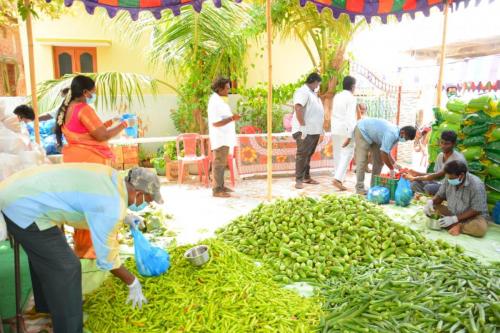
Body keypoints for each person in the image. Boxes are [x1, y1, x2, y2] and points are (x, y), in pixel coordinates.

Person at [0, 164, 162, 333]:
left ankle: (48, 305)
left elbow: (96, 203)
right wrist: (132, 282)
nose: (145, 205)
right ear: (138, 193)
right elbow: (107, 257)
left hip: (19, 189)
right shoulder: (111, 206)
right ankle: (68, 328)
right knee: (67, 267)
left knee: (48, 255)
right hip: (22, 205)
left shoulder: (115, 178)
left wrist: (126, 216)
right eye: (147, 201)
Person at [54, 75, 133, 259]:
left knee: (81, 207)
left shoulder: (66, 109)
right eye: (93, 92)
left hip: (75, 163)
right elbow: (101, 136)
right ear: (85, 92)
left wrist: (109, 122)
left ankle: (83, 248)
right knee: (96, 205)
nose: (93, 95)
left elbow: (87, 131)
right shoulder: (83, 109)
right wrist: (124, 124)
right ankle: (97, 251)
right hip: (90, 164)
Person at [423, 160, 489, 237]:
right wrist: (431, 201)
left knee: (480, 228)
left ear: (461, 175)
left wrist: (454, 219)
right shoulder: (448, 179)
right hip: (453, 211)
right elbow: (440, 196)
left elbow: (477, 209)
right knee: (433, 208)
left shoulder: (476, 184)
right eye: (448, 177)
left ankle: (460, 227)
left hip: (472, 217)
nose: (449, 180)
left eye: (451, 178)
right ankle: (452, 224)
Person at [354, 118, 416, 194]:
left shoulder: (397, 136)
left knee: (379, 162)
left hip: (375, 136)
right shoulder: (392, 134)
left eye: (407, 140)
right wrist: (391, 168)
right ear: (402, 132)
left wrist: (394, 163)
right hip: (363, 130)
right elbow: (384, 153)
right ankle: (359, 188)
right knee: (362, 160)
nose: (405, 140)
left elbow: (387, 151)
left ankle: (374, 187)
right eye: (406, 138)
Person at [404, 131, 466, 196]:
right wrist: (416, 173)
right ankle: (424, 201)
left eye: (447, 144)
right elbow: (435, 175)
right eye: (442, 142)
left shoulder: (457, 159)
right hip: (440, 183)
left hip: (453, 187)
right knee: (415, 184)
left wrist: (415, 177)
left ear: (454, 144)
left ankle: (433, 202)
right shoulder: (440, 155)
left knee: (428, 188)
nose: (443, 146)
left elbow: (438, 175)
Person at [207, 77, 240, 198]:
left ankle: (221, 186)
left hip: (224, 138)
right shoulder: (214, 101)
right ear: (219, 88)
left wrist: (232, 117)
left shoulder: (218, 100)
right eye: (227, 88)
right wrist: (232, 118)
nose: (228, 91)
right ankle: (217, 189)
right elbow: (215, 123)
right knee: (219, 164)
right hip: (220, 138)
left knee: (221, 164)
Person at [292, 72, 324, 189]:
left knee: (308, 155)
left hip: (313, 130)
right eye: (318, 84)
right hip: (304, 130)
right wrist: (303, 126)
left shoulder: (312, 93)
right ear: (314, 82)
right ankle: (298, 180)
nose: (318, 86)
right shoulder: (303, 91)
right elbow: (298, 107)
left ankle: (306, 177)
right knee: (302, 155)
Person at [330, 76, 357, 191]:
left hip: (335, 128)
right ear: (352, 86)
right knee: (348, 153)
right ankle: (338, 179)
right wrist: (350, 135)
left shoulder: (337, 96)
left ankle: (338, 175)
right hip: (345, 129)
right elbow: (350, 117)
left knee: (338, 153)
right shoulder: (351, 98)